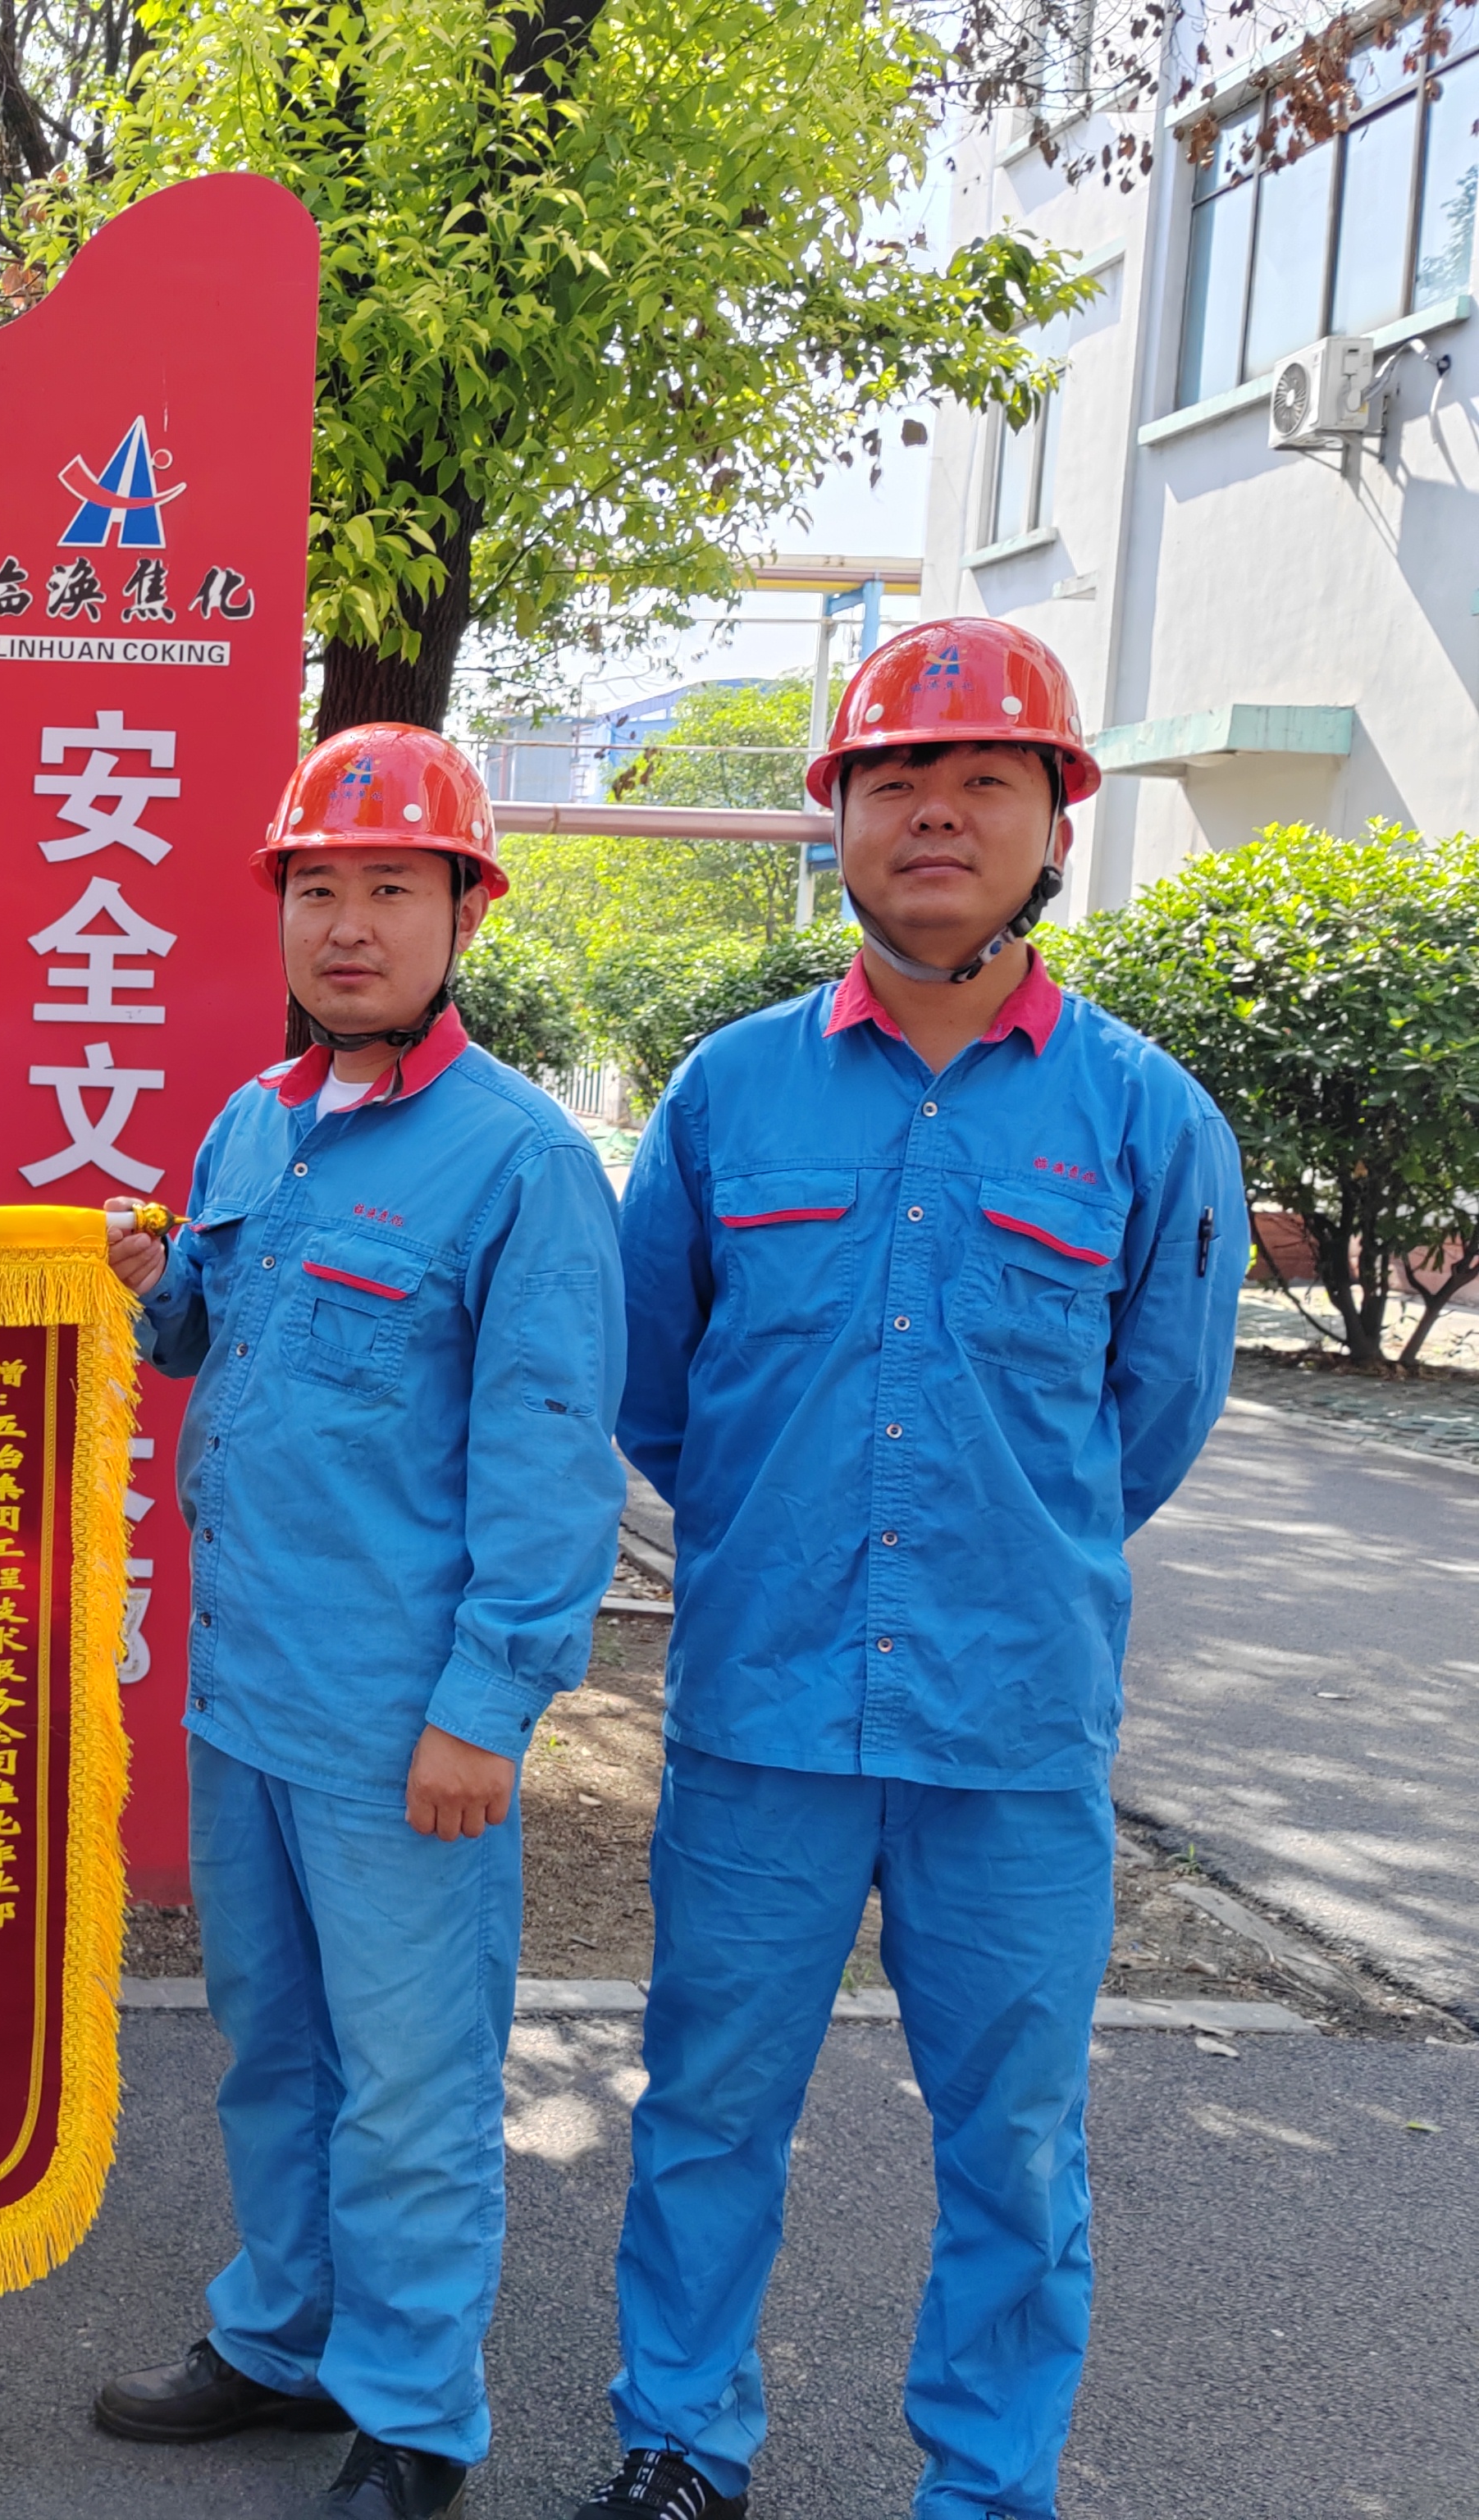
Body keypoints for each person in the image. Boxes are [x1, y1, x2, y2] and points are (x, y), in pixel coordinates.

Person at [568, 619, 1247, 2520]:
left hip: (1010, 1724)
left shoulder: (1145, 1117)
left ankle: (987, 2479)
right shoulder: (725, 1099)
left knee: (1014, 2141)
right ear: (837, 821)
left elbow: (1152, 1416)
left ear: (1053, 827)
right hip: (763, 1714)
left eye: (982, 780)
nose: (934, 813)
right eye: (893, 779)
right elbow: (651, 1383)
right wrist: (773, 1530)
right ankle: (679, 2438)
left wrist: (1005, 1551)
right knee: (709, 2105)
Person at [98, 725, 628, 2520]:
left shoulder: (518, 1161)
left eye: (390, 887)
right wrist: (154, 1281)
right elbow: (203, 1337)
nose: (345, 924)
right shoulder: (257, 1121)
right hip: (245, 1691)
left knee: (409, 2079)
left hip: (403, 1719)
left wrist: (487, 1707)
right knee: (274, 2046)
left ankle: (412, 2413)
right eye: (314, 888)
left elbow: (549, 1459)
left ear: (463, 912)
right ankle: (281, 2335)